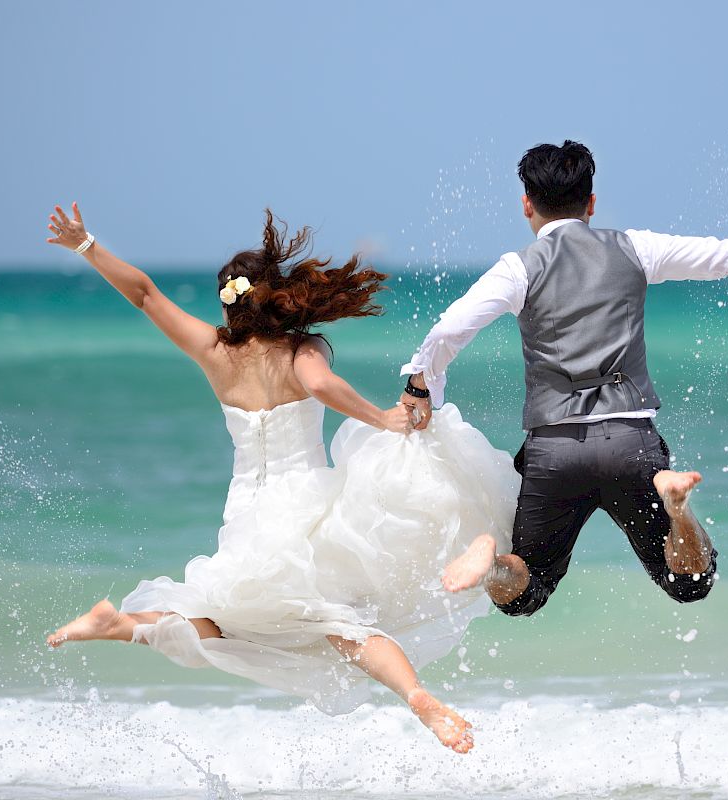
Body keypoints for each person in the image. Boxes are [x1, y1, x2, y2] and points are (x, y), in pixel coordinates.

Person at [42, 204, 519, 753]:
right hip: (308, 510)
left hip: (246, 515)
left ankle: (126, 624)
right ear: (278, 296)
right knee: (342, 623)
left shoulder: (214, 351)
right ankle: (415, 696)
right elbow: (319, 385)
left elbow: (146, 294)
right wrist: (382, 418)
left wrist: (86, 246)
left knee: (229, 625)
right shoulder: (301, 349)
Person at [396, 140, 728, 616]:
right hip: (631, 443)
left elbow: (450, 329)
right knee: (689, 581)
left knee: (523, 591)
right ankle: (677, 508)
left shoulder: (518, 268)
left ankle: (491, 564)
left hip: (554, 450)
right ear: (591, 202)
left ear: (527, 203)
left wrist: (420, 387)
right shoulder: (634, 248)